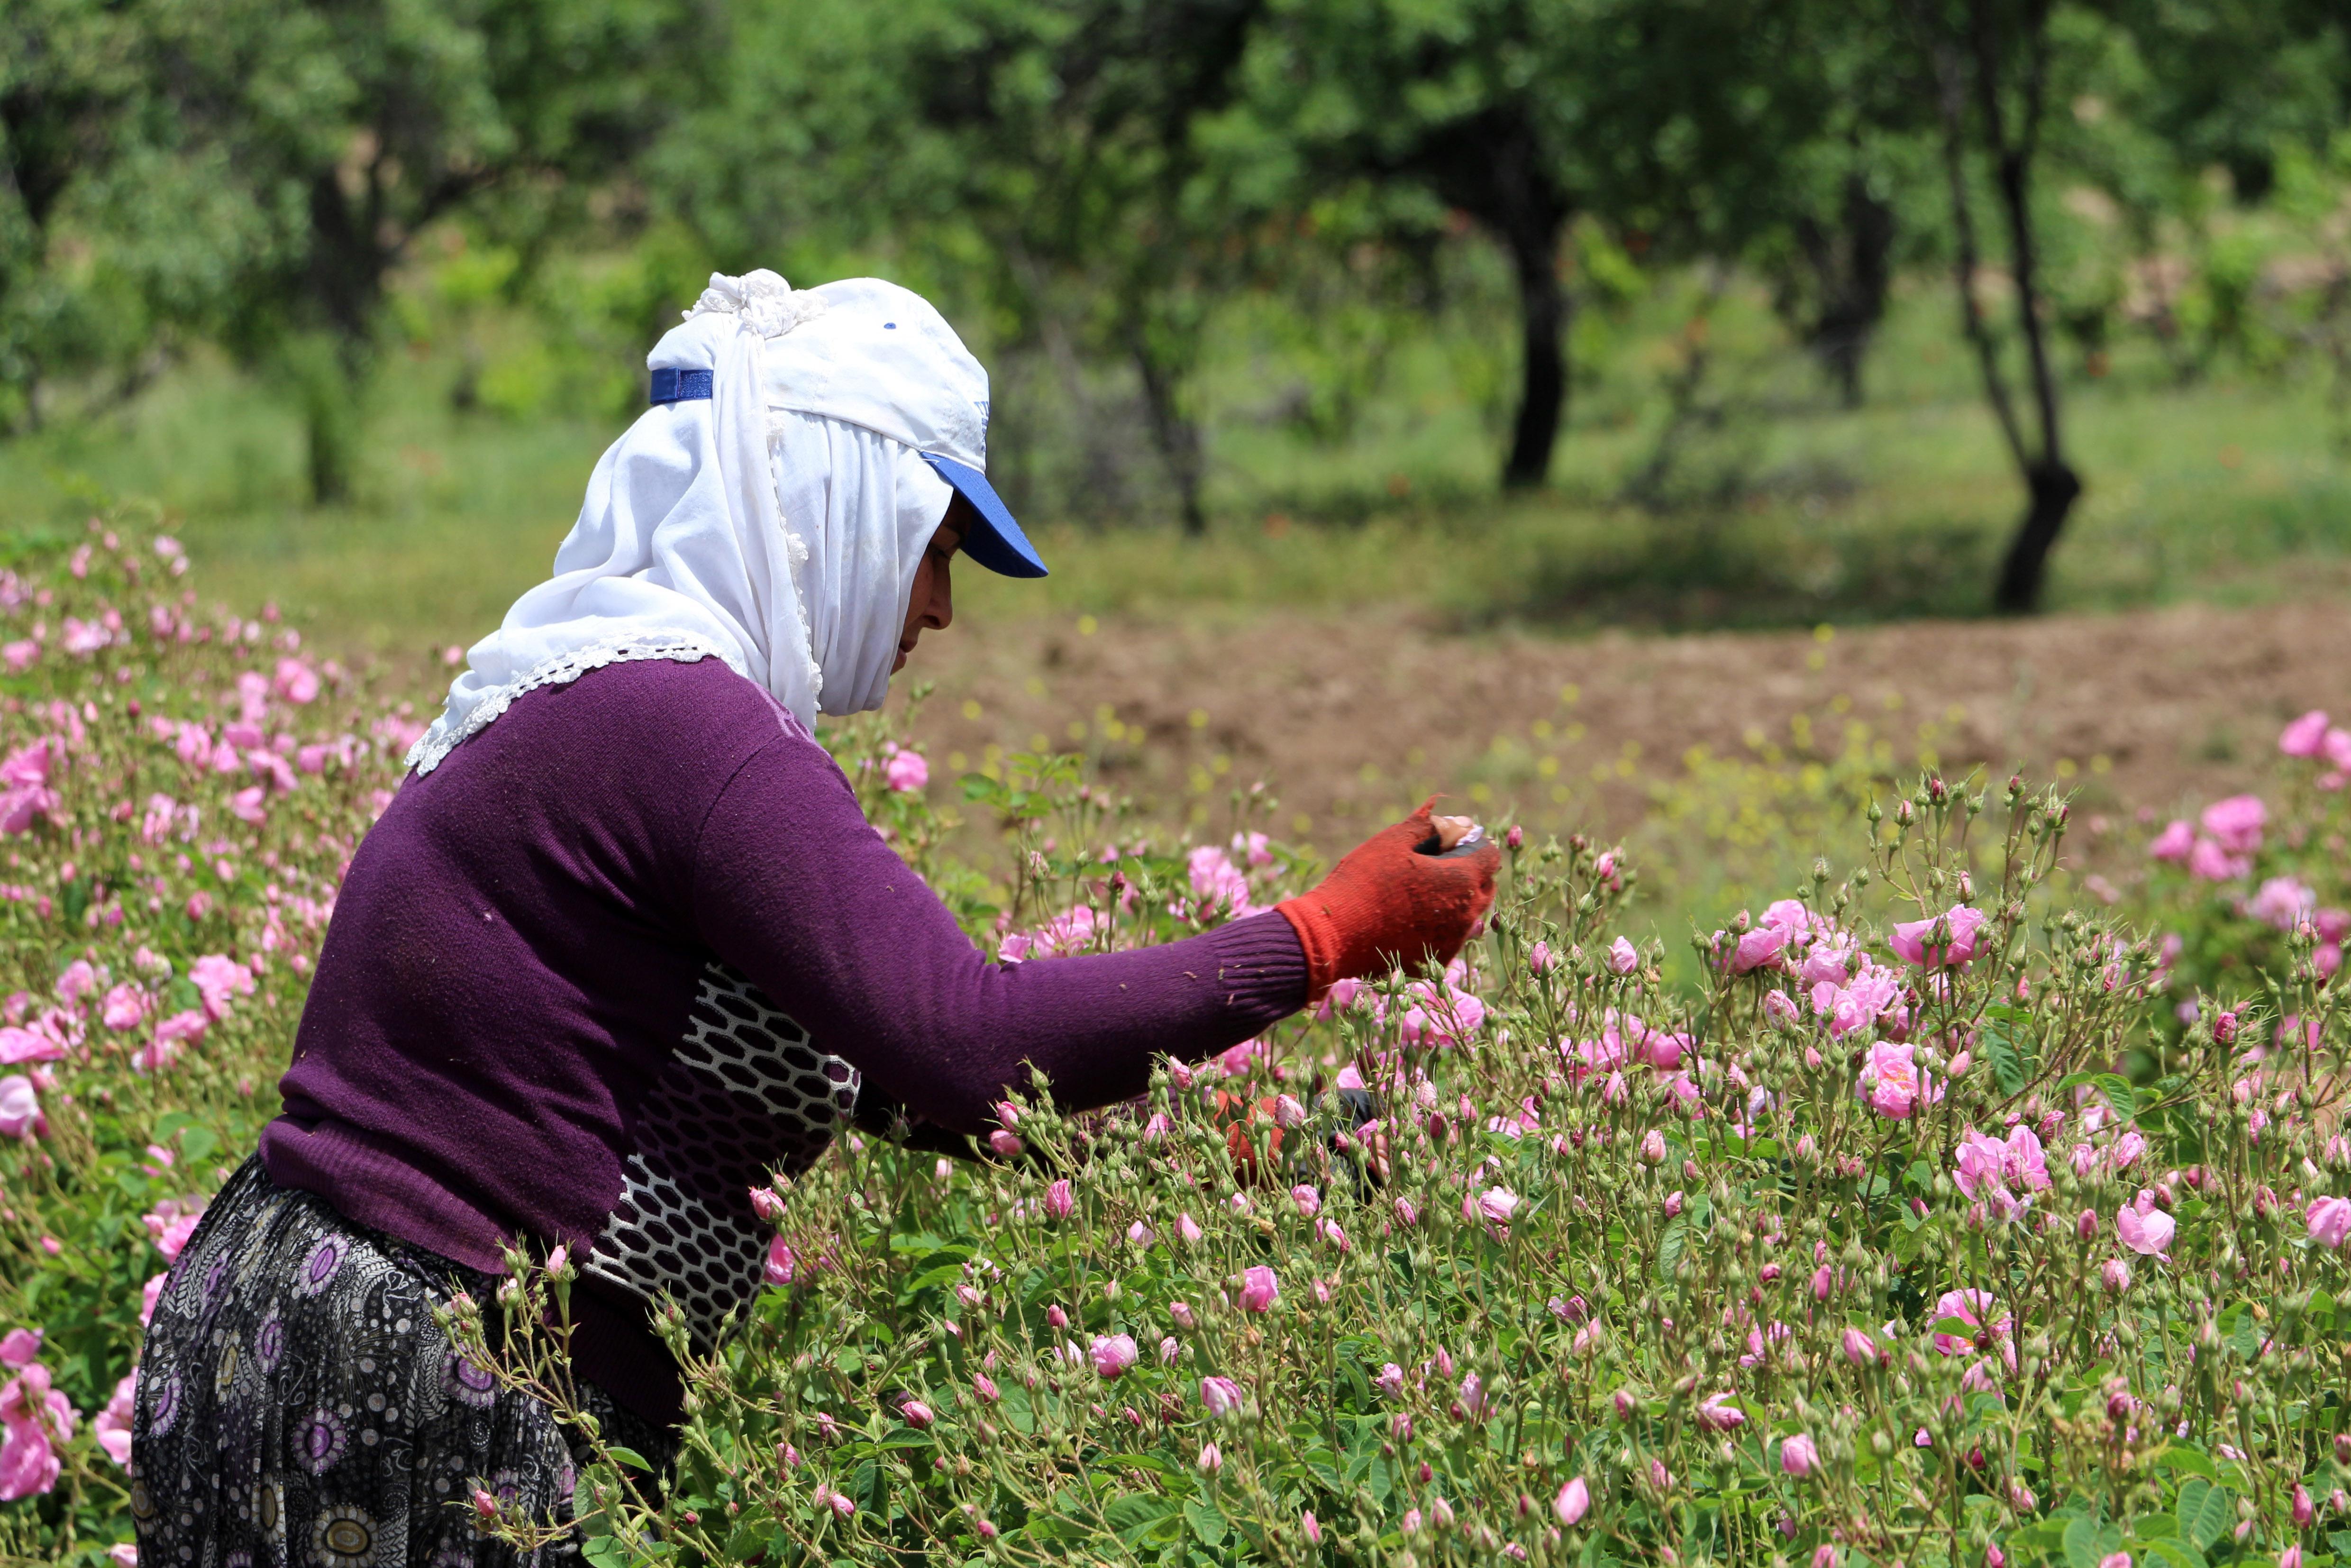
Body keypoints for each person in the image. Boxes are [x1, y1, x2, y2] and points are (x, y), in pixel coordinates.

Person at [129, 271, 1497, 1566]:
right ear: (835, 504)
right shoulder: (681, 722)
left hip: (311, 1331)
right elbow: (970, 1040)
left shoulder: (605, 690)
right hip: (402, 1374)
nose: (943, 611)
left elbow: (902, 1078)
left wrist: (1217, 1150)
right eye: (935, 550)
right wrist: (1326, 932)